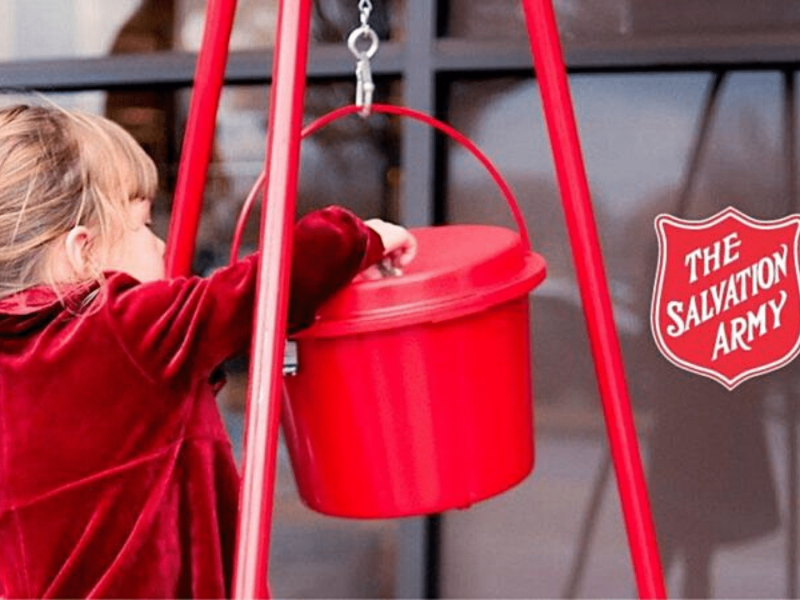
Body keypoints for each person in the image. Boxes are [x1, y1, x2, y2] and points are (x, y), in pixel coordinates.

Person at [0, 103, 416, 598]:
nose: (160, 244)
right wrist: (361, 237)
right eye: (143, 224)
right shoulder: (116, 327)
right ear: (83, 252)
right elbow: (255, 292)